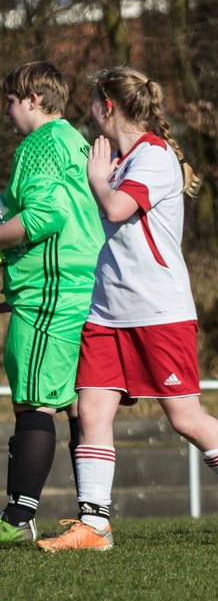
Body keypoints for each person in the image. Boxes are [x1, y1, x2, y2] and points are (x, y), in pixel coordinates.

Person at [36, 67, 218, 550]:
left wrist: (98, 179)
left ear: (108, 105)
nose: (88, 112)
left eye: (92, 102)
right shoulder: (122, 156)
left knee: (184, 418)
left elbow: (119, 208)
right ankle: (95, 524)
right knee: (91, 408)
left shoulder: (155, 155)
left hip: (159, 312)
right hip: (107, 310)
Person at [0, 62, 104, 545]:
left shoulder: (39, 144)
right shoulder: (74, 141)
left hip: (47, 291)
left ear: (34, 101)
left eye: (11, 100)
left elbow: (45, 215)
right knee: (82, 407)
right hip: (83, 285)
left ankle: (18, 518)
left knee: (35, 401)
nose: (7, 111)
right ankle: (91, 517)